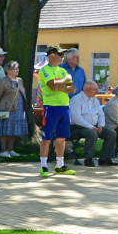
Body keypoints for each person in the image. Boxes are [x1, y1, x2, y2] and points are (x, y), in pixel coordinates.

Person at [38, 45, 78, 178]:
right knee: (47, 138)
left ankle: (60, 166)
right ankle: (43, 166)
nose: (62, 57)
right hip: (51, 107)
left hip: (64, 107)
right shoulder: (44, 70)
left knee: (62, 138)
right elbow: (53, 87)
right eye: (59, 54)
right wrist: (65, 80)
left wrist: (60, 84)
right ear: (51, 56)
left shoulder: (61, 71)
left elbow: (73, 89)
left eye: (62, 54)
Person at [69, 80, 118, 166]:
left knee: (111, 133)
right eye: (95, 89)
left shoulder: (94, 100)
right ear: (87, 90)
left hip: (95, 126)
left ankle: (105, 158)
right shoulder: (76, 100)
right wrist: (92, 127)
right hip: (79, 127)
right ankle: (88, 158)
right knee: (92, 134)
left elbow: (101, 114)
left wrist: (101, 126)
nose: (97, 91)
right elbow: (77, 118)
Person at [0, 60, 27, 158]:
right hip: (6, 109)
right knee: (4, 130)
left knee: (14, 130)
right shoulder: (3, 82)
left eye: (18, 68)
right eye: (15, 68)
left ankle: (10, 149)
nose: (17, 70)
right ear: (8, 70)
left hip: (19, 109)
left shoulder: (20, 80)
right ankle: (3, 150)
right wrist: (3, 106)